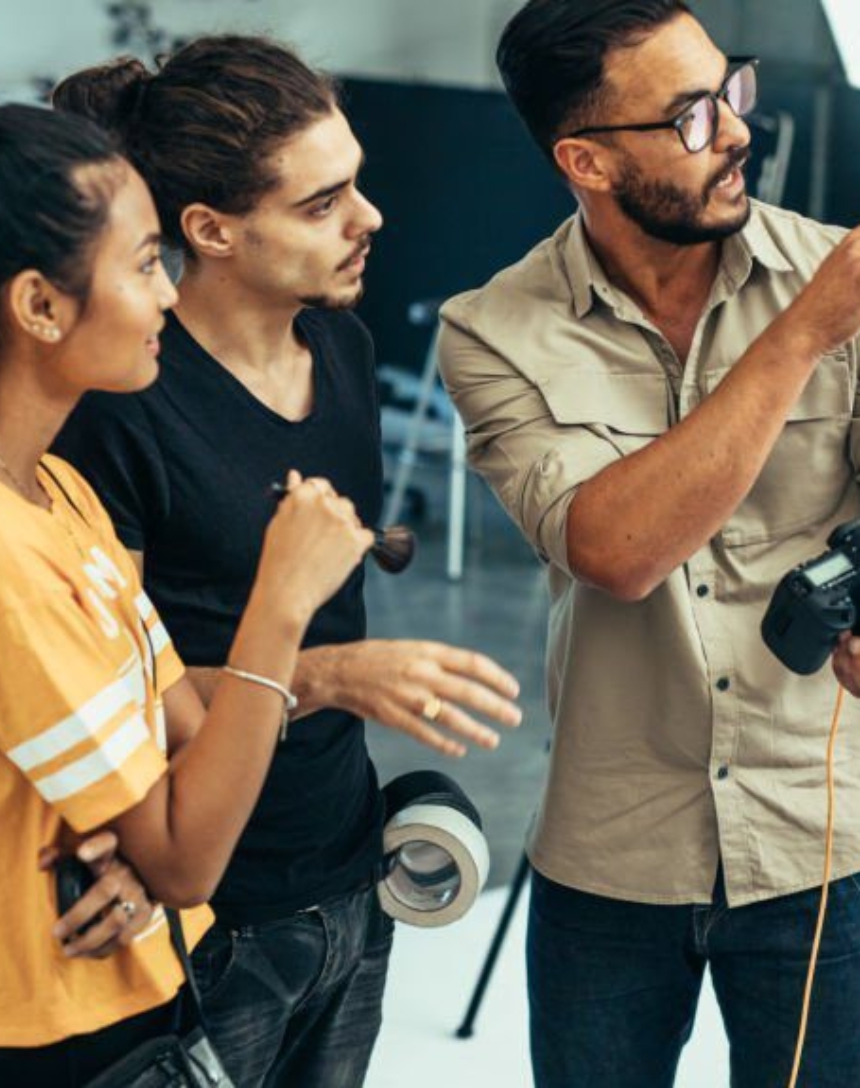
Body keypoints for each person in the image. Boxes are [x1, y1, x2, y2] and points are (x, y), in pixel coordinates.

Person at [51, 35, 522, 1088]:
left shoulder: (342, 350)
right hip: (198, 910)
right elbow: (101, 691)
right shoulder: (121, 410)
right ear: (211, 230)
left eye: (356, 183)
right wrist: (333, 674)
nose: (371, 219)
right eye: (322, 204)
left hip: (347, 876)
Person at [0, 80, 374, 1088]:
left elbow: (188, 732)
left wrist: (159, 832)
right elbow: (186, 855)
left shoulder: (54, 490)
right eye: (148, 261)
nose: (167, 292)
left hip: (135, 1005)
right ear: (37, 303)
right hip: (31, 1047)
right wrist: (280, 603)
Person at [438, 2, 860, 1086]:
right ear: (582, 157)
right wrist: (801, 334)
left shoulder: (834, 272)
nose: (732, 131)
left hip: (825, 840)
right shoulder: (491, 328)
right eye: (686, 116)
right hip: (611, 850)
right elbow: (616, 547)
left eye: (732, 89)